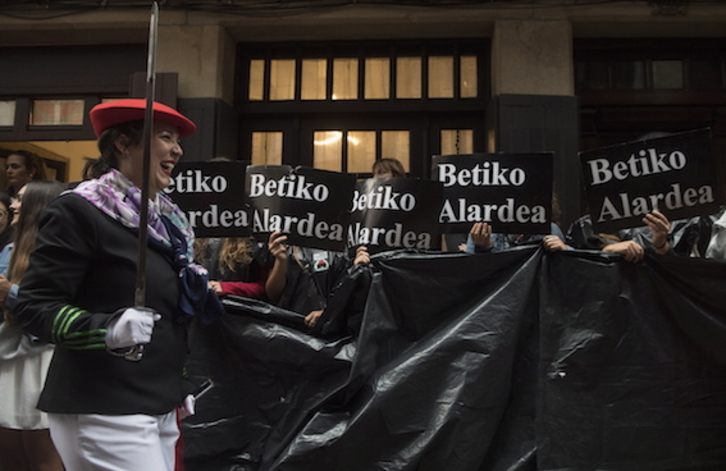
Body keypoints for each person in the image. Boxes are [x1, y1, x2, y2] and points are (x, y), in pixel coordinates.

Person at [14, 98, 221, 470]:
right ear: (124, 143)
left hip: (156, 403)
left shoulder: (168, 223)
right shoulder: (79, 211)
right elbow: (34, 307)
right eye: (165, 137)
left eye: (177, 140)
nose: (177, 149)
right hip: (102, 405)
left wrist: (177, 385)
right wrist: (106, 330)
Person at [0, 181, 65, 471]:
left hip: (42, 362)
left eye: (21, 199)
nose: (13, 204)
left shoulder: (61, 252)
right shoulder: (9, 250)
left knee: (43, 461)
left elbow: (56, 311)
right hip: (7, 358)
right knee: (10, 458)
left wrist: (10, 293)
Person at [195, 231, 289, 303]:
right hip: (201, 312)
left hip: (242, 318)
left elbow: (266, 290)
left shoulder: (254, 237)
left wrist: (228, 288)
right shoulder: (198, 230)